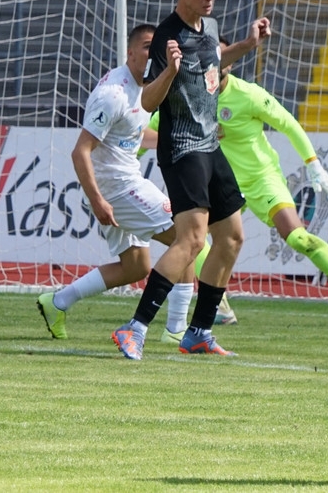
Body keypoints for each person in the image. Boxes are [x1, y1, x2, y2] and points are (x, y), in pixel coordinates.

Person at [150, 39, 328, 328]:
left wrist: (314, 166)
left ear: (230, 62)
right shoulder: (189, 97)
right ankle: (219, 304)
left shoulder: (248, 95)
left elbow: (288, 123)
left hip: (263, 179)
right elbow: (149, 128)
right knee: (195, 240)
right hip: (223, 183)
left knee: (298, 238)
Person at [111, 0, 270, 360]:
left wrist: (248, 45)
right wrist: (168, 72)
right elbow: (147, 100)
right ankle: (135, 327)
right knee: (193, 240)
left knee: (232, 237)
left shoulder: (210, 27)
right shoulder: (168, 35)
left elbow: (215, 63)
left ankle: (198, 331)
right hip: (182, 148)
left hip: (209, 145)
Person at [36, 24, 207, 343]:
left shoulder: (144, 89)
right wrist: (98, 200)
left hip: (123, 185)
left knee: (135, 268)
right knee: (188, 238)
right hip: (117, 189)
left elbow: (132, 135)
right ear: (129, 52)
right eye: (144, 46)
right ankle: (175, 329)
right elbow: (80, 151)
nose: (149, 51)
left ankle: (57, 302)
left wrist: (182, 139)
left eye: (153, 46)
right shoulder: (113, 94)